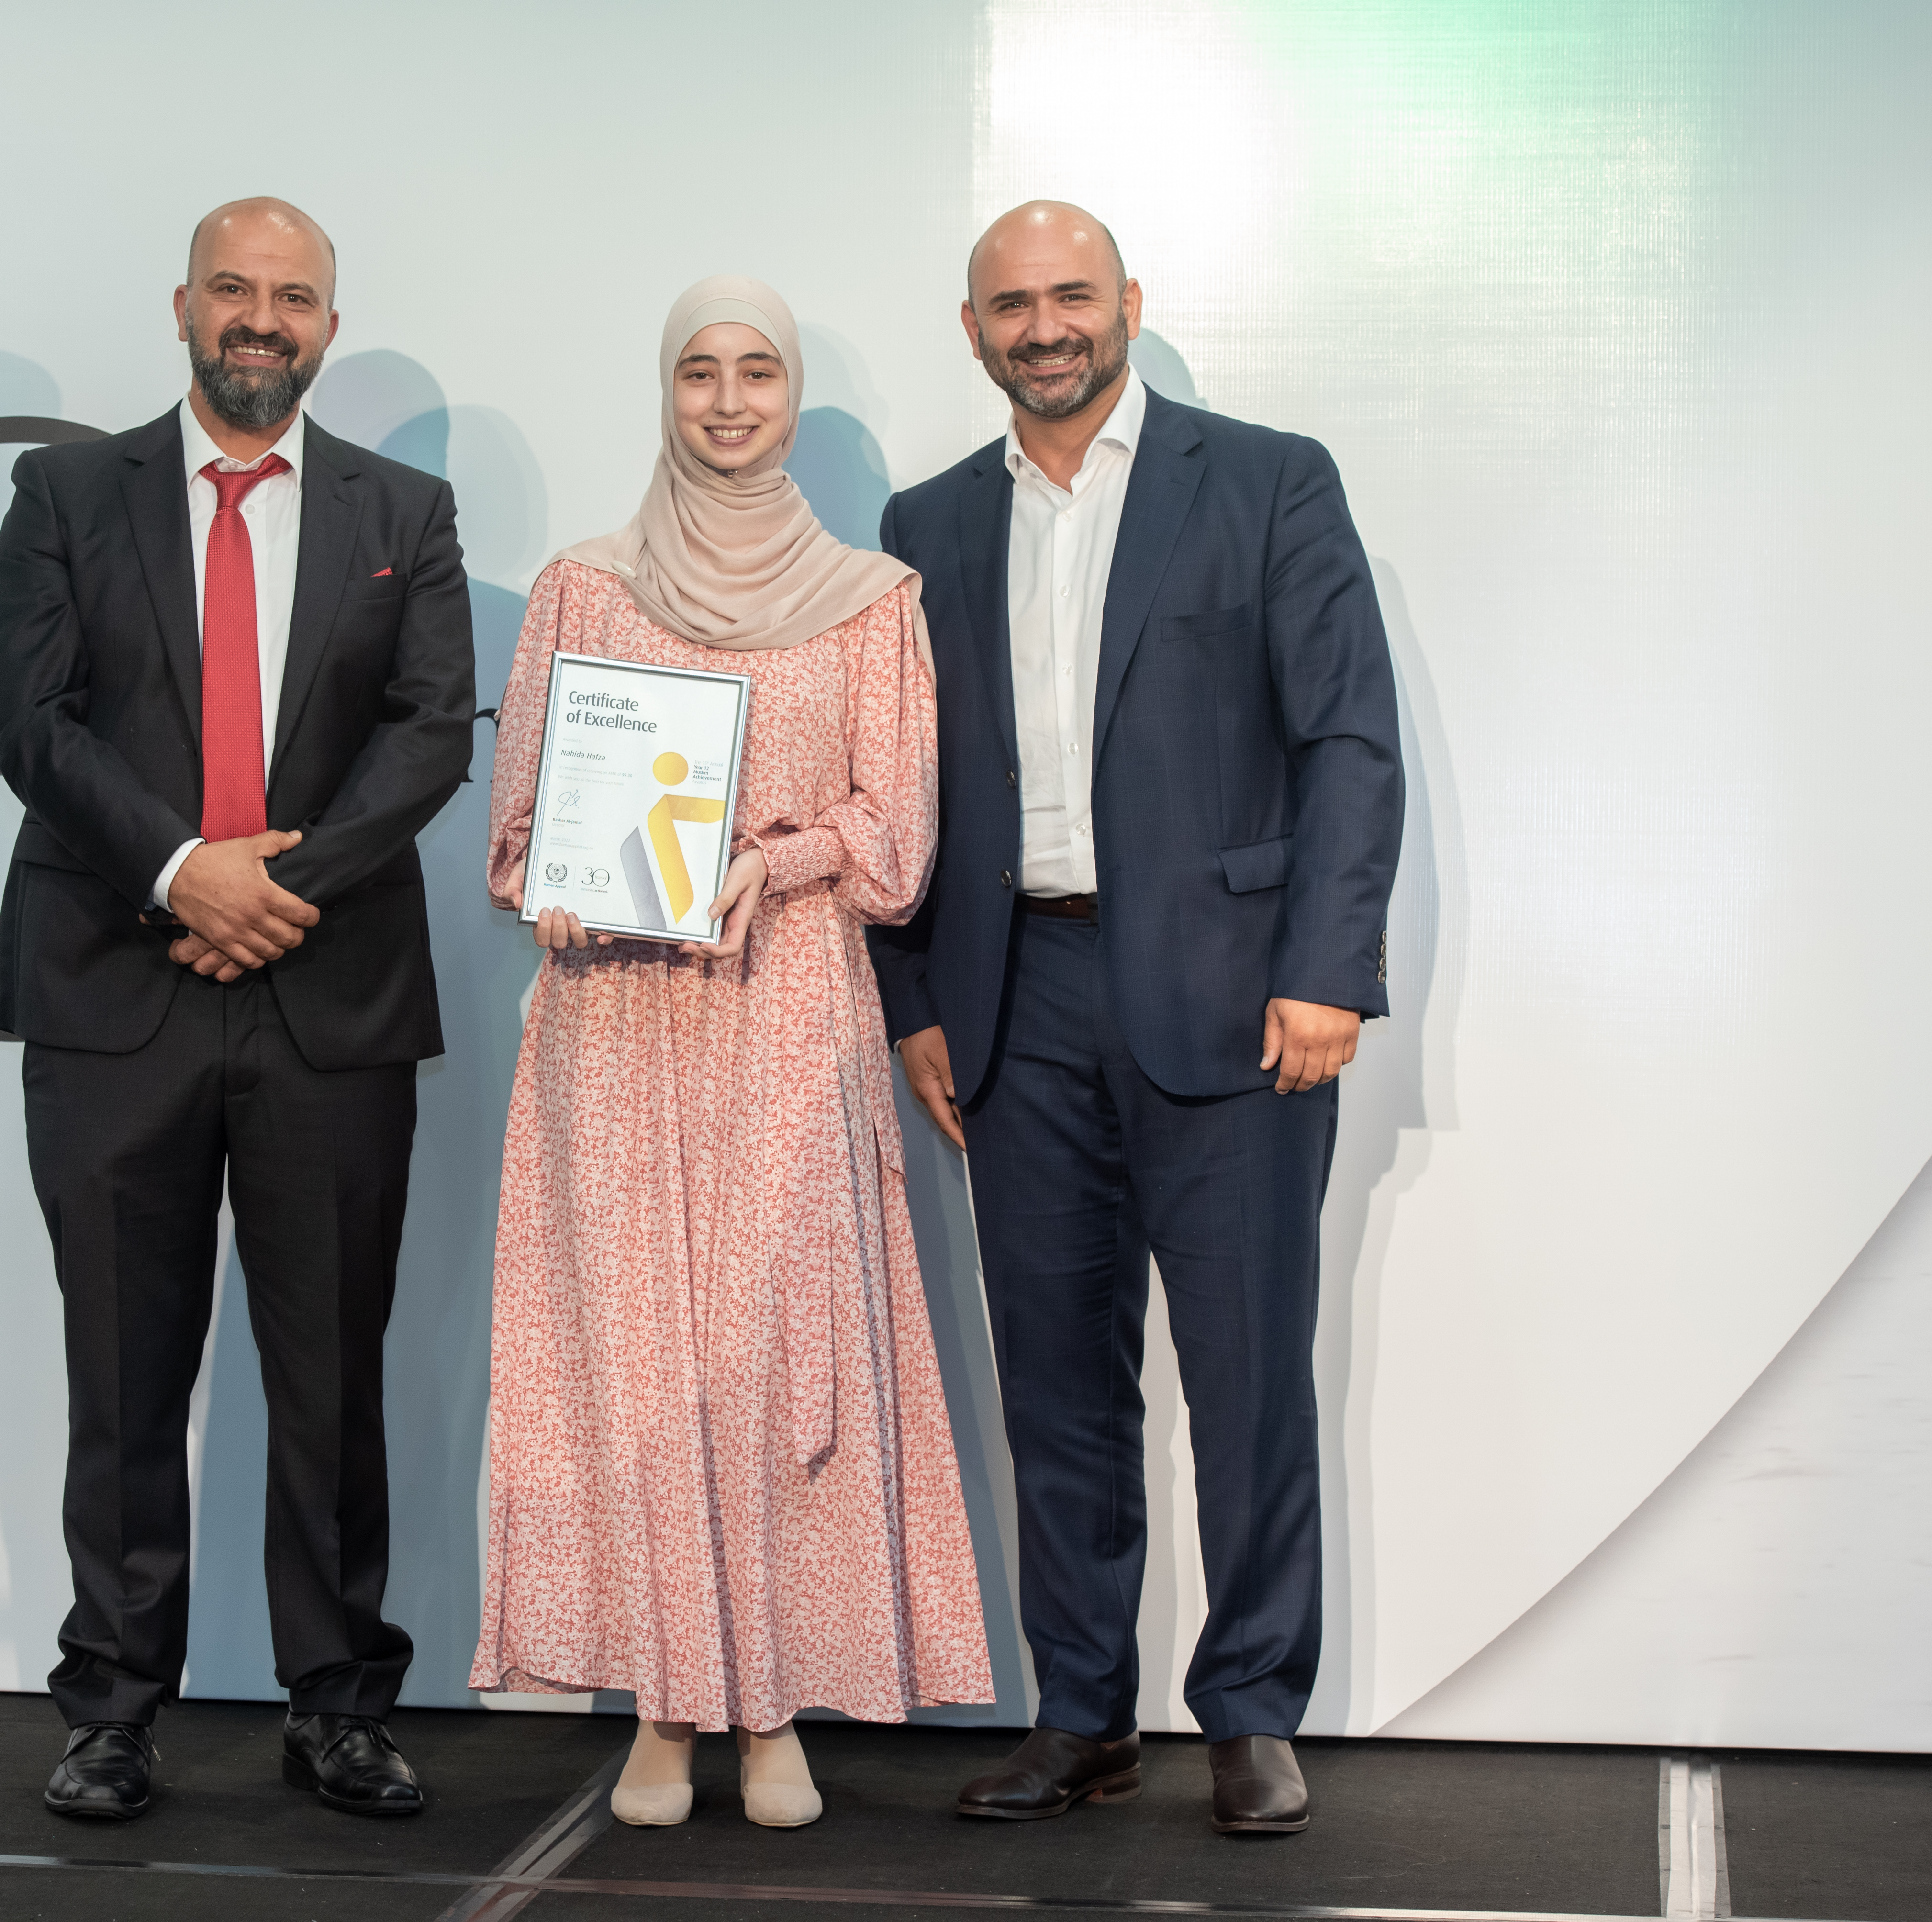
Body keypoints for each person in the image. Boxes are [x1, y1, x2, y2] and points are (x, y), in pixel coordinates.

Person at [868, 203, 1402, 1833]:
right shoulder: (926, 523)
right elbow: (898, 780)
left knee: (1247, 1377)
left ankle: (1251, 1711)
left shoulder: (1267, 481)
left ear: (1129, 305)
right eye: (1012, 304)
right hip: (1012, 999)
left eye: (1072, 296)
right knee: (1055, 1386)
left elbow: (1348, 739)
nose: (1046, 327)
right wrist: (917, 997)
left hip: (1235, 1000)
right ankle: (1082, 1716)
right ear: (974, 328)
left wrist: (1329, 966)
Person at [0, 197, 474, 1822]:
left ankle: (339, 1703)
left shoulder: (406, 508)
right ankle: (115, 1707)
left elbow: (429, 733)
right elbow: (31, 721)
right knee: (124, 1372)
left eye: (296, 297)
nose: (264, 319)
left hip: (328, 995)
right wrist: (185, 872)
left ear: (329, 325)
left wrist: (273, 888)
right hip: (117, 990)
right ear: (184, 305)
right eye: (236, 290)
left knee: (330, 1373)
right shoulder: (66, 494)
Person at [473, 276, 993, 1830]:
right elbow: (516, 832)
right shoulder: (583, 588)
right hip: (617, 1025)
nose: (727, 401)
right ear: (666, 391)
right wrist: (557, 885)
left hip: (786, 1014)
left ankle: (770, 1709)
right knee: (638, 1377)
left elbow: (898, 841)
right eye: (699, 372)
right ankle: (663, 1707)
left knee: (771, 1364)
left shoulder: (872, 599)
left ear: (793, 395)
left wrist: (778, 858)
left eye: (757, 372)